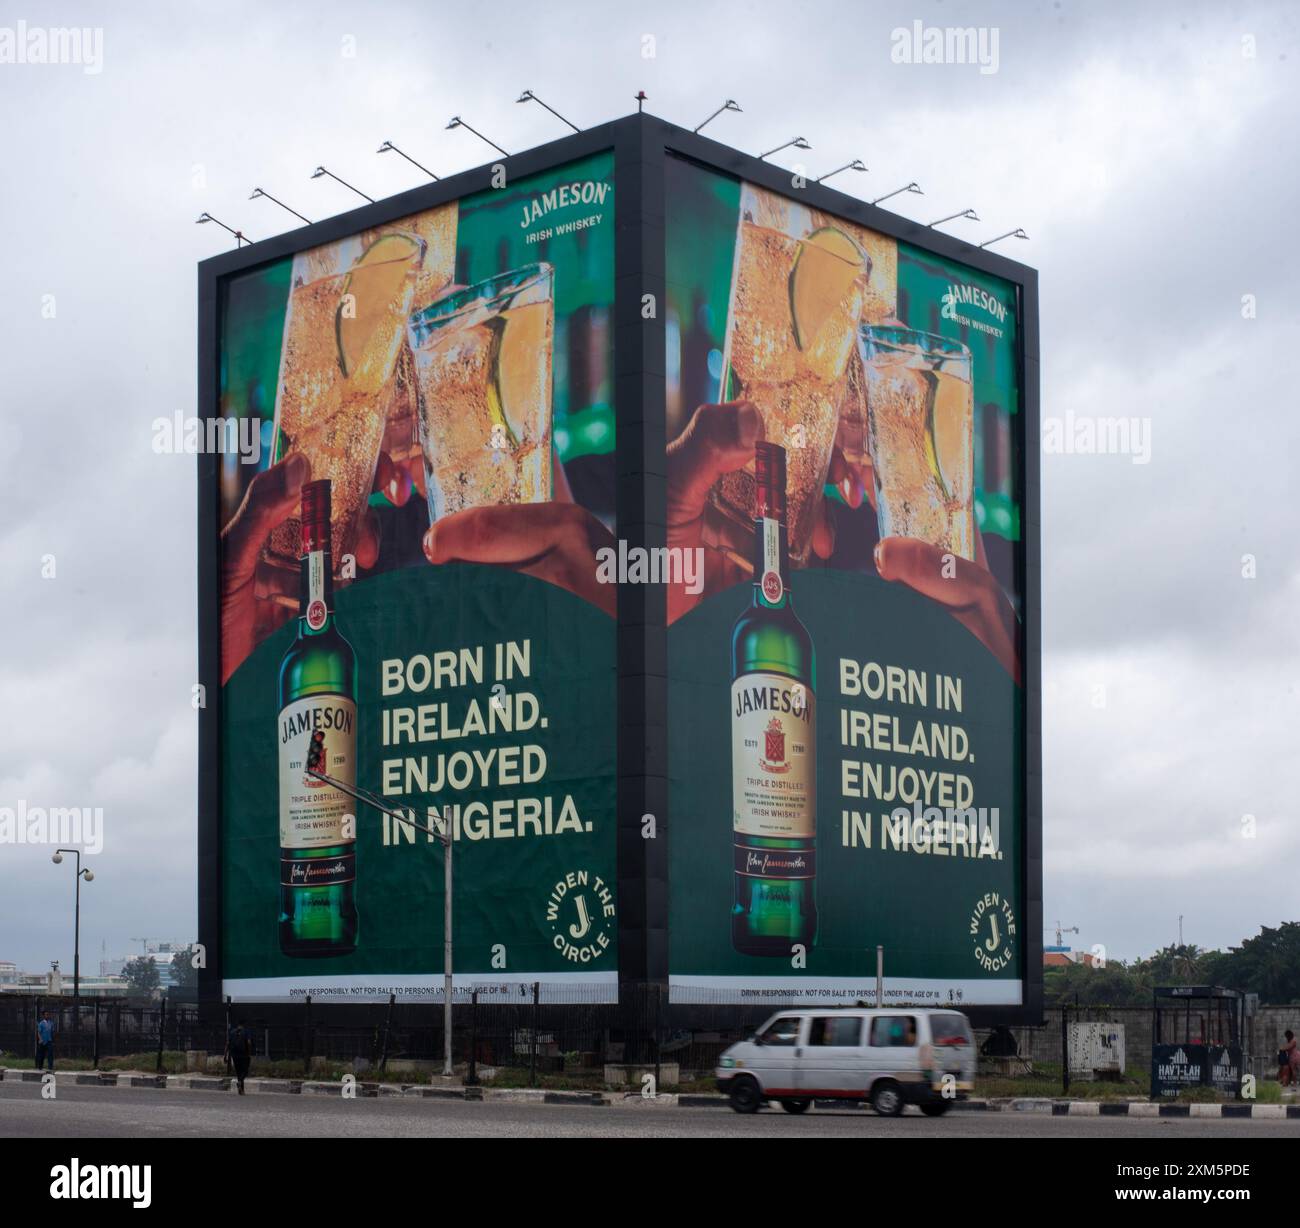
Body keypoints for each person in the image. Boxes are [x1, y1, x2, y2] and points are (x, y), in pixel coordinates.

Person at [225, 1017, 253, 1095]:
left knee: (238, 1072)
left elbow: (227, 1043)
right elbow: (249, 1043)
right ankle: (240, 1083)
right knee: (245, 1071)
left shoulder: (232, 1032)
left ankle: (241, 1090)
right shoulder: (247, 1031)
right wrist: (249, 1052)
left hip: (234, 1054)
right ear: (244, 1024)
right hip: (244, 1054)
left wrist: (225, 1055)